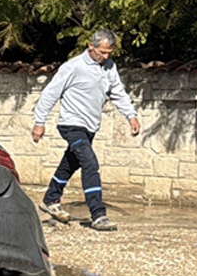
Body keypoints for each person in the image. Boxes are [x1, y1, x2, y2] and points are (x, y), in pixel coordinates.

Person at [32, 29, 140, 231]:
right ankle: (98, 214)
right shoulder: (73, 67)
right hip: (71, 125)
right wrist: (40, 122)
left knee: (70, 163)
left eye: (109, 53)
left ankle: (50, 199)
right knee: (90, 163)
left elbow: (118, 92)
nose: (106, 57)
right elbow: (50, 94)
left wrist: (131, 116)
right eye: (103, 52)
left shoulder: (109, 67)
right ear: (91, 46)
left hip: (90, 127)